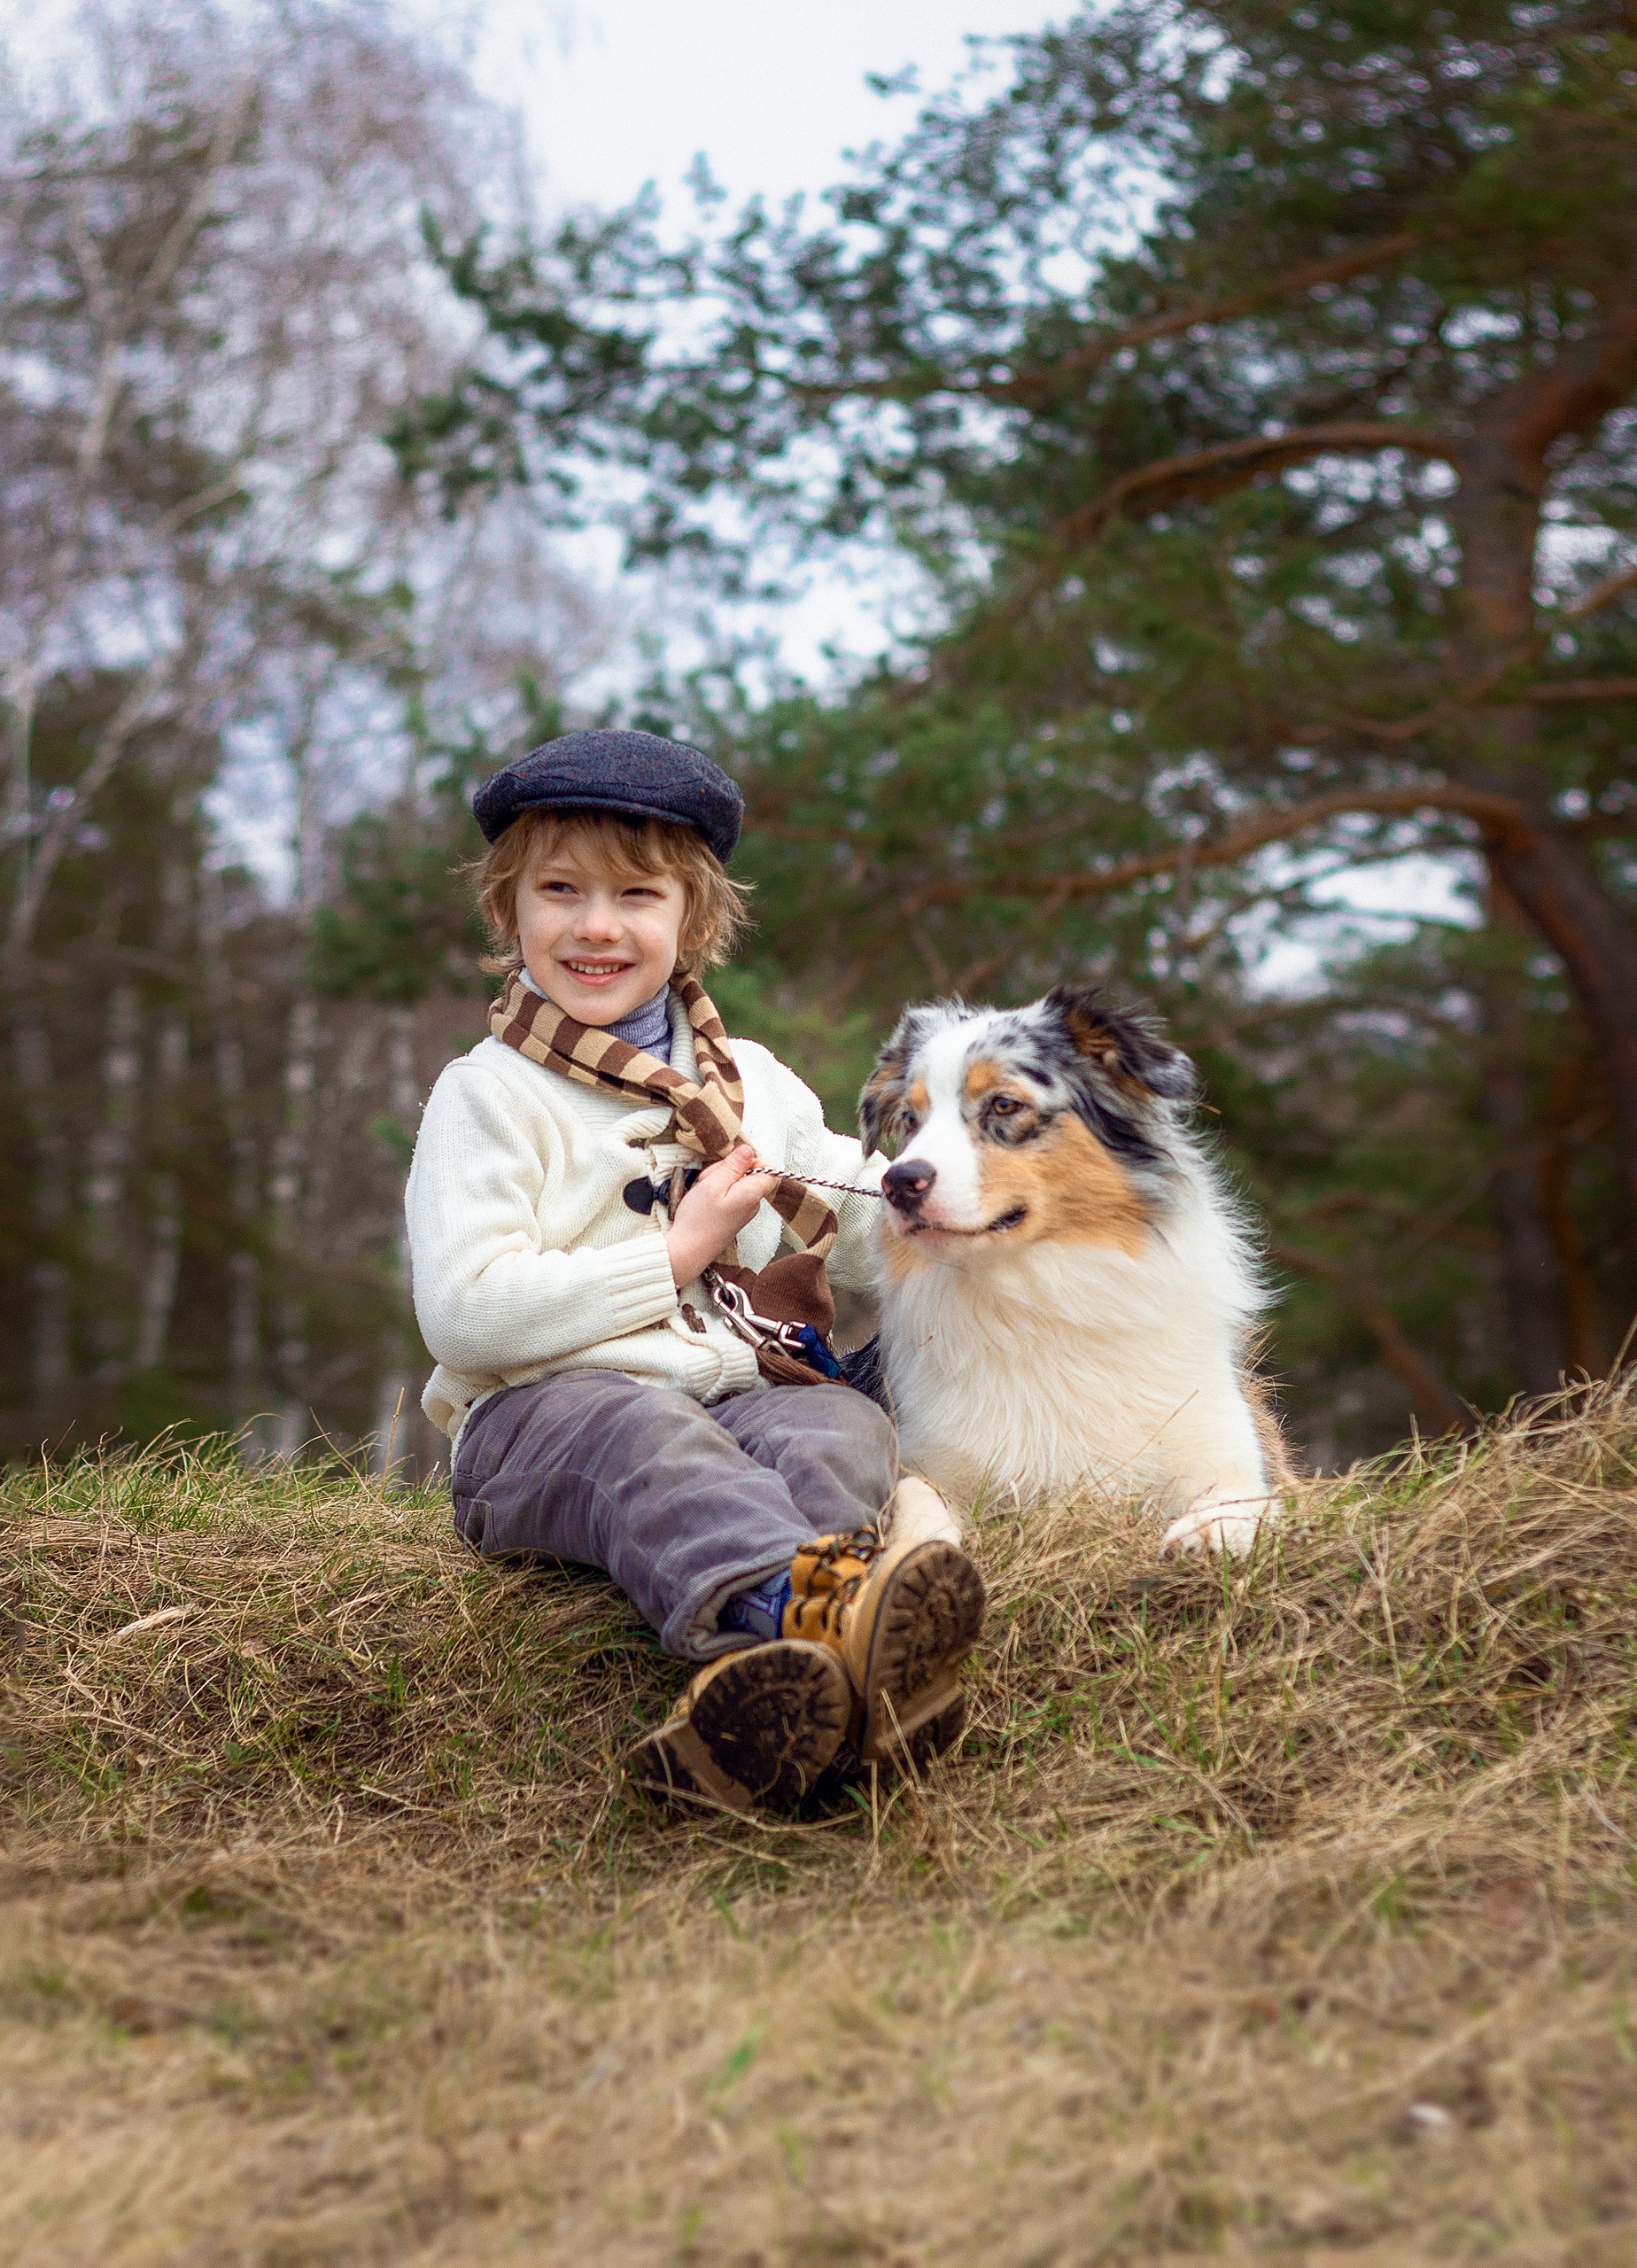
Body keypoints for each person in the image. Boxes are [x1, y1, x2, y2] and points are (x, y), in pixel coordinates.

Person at [406, 728, 984, 1814]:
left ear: (692, 918)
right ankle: (839, 1625)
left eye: (636, 894)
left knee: (837, 1427)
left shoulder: (751, 1083)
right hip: (541, 1426)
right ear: (508, 910)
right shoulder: (487, 1095)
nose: (595, 924)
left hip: (733, 1399)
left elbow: (853, 1208)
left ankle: (775, 1688)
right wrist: (674, 1251)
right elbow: (465, 1314)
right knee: (646, 1434)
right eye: (559, 889)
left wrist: (959, 1217)